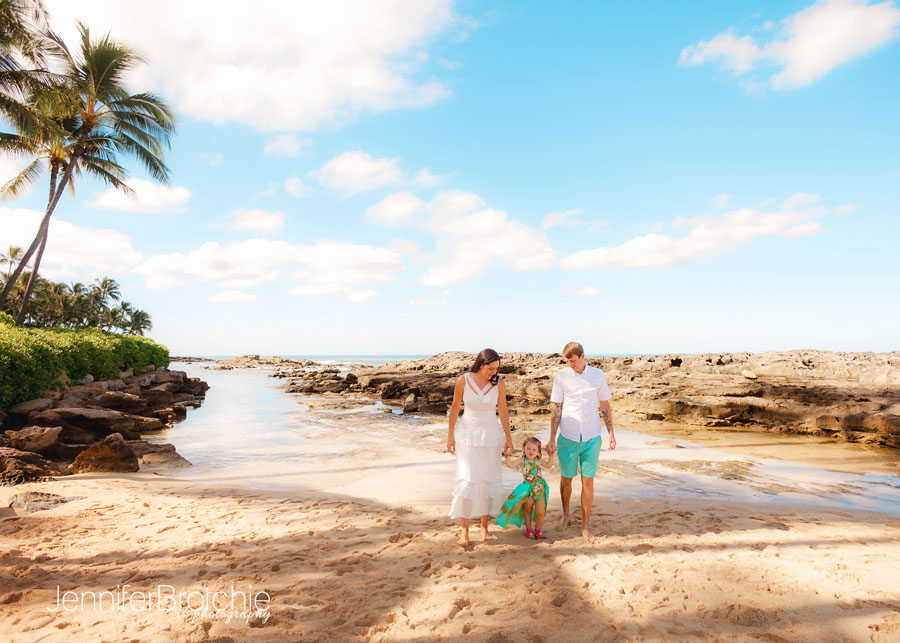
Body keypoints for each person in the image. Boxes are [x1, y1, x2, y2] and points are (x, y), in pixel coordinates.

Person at [546, 342, 616, 543]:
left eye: (573, 360)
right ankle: (566, 515)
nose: (570, 364)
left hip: (592, 437)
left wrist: (611, 433)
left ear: (582, 356)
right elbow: (556, 408)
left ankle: (585, 525)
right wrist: (551, 438)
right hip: (567, 436)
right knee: (566, 479)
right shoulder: (561, 377)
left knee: (588, 480)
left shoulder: (597, 375)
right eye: (567, 361)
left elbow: (604, 405)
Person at [447, 348, 514, 547]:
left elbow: (503, 410)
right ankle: (464, 530)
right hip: (467, 436)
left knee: (488, 479)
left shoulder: (499, 383)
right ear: (481, 364)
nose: (494, 372)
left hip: (491, 437)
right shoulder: (464, 380)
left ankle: (484, 528)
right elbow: (454, 407)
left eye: (496, 369)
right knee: (468, 479)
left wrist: (509, 439)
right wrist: (449, 436)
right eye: (491, 368)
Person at [496, 436, 552, 539]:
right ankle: (529, 530)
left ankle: (538, 530)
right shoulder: (523, 460)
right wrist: (507, 457)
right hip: (528, 490)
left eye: (534, 449)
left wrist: (551, 456)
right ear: (524, 449)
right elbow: (511, 465)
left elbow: (549, 465)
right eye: (528, 449)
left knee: (540, 511)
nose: (531, 451)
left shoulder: (538, 460)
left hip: (540, 489)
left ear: (538, 452)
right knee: (528, 510)